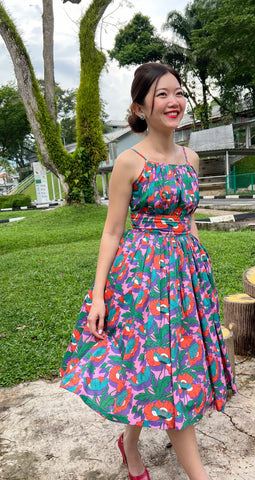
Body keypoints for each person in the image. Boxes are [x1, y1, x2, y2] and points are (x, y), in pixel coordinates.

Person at [60, 62, 236, 480]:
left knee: (160, 369)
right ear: (140, 106)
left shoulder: (190, 158)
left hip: (187, 277)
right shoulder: (129, 161)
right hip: (142, 280)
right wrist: (99, 295)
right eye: (161, 94)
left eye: (178, 92)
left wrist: (195, 267)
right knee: (160, 371)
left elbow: (188, 219)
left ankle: (130, 442)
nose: (173, 101)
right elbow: (112, 231)